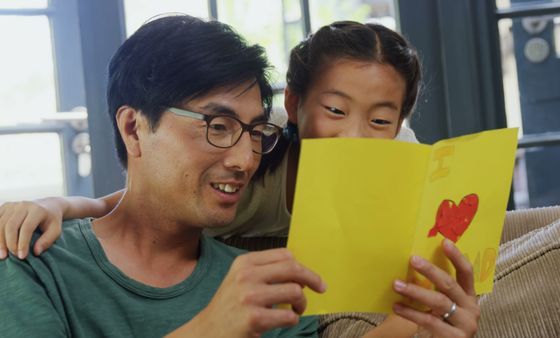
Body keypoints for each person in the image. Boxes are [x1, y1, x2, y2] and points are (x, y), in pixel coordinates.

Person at [0, 18, 480, 337]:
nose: (244, 158)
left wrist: (413, 324)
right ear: (133, 127)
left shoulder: (265, 285)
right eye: (219, 126)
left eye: (254, 131)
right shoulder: (28, 258)